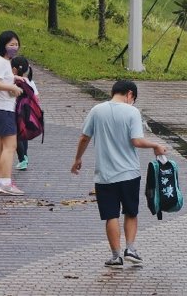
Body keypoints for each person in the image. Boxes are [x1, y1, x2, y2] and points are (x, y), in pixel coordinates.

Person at [71, 80, 167, 267]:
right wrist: (156, 145)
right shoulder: (132, 112)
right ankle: (130, 249)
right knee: (131, 212)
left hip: (104, 175)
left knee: (110, 215)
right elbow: (137, 141)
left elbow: (84, 137)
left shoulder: (96, 110)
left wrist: (77, 159)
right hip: (129, 173)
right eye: (133, 99)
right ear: (130, 94)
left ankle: (116, 256)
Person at [0, 30, 27, 196]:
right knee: (10, 146)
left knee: (0, 146)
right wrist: (12, 87)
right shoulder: (0, 61)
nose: (14, 47)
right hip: (3, 109)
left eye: (16, 44)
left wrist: (15, 79)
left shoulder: (1, 61)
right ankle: (6, 183)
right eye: (11, 44)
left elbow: (1, 79)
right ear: (3, 44)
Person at [11, 56, 38, 171]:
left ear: (14, 70)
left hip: (16, 112)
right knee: (23, 134)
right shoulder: (30, 82)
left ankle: (22, 159)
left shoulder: (14, 81)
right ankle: (25, 156)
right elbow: (36, 97)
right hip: (27, 111)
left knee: (16, 136)